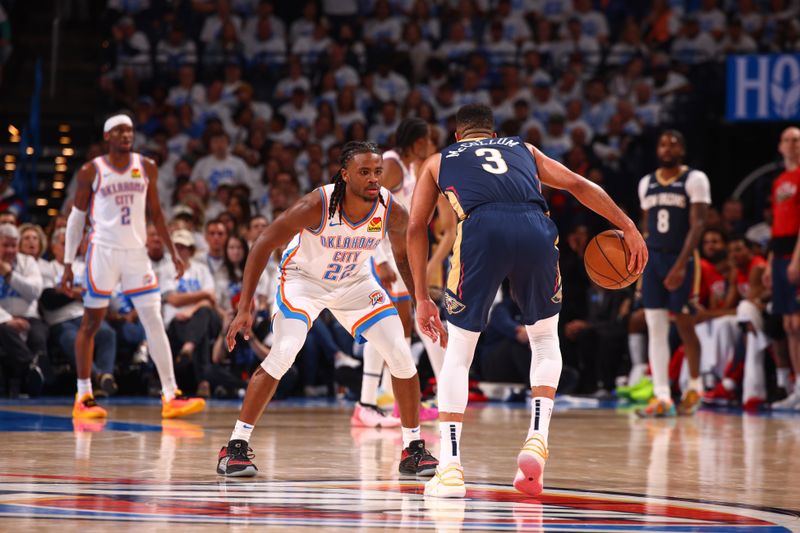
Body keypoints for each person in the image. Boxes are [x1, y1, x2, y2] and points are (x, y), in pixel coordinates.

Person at [407, 103, 647, 497]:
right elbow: (579, 185)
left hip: (482, 229)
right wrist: (629, 226)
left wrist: (421, 295)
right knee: (544, 338)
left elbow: (417, 227)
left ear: (457, 135)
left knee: (460, 351)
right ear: (492, 131)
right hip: (535, 225)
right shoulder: (523, 149)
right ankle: (537, 436)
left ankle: (449, 467)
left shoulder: (438, 160)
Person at [217, 141, 445, 478]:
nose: (373, 179)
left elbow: (402, 257)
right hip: (304, 281)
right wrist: (245, 307)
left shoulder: (391, 210)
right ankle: (235, 446)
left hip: (355, 283)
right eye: (364, 172)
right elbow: (264, 242)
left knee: (399, 352)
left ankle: (413, 448)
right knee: (284, 351)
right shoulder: (317, 204)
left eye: (377, 172)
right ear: (345, 175)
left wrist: (421, 299)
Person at [61, 114, 205, 419]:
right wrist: (68, 262)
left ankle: (170, 395)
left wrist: (172, 252)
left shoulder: (146, 166)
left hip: (136, 254)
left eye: (129, 130)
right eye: (119, 130)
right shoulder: (92, 171)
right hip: (103, 252)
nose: (126, 134)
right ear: (107, 137)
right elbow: (76, 219)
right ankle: (83, 394)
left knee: (153, 319)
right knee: (91, 323)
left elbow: (156, 212)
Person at [354, 118, 456, 428]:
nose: (431, 145)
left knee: (399, 329)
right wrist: (381, 257)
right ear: (416, 142)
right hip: (381, 255)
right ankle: (366, 402)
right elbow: (366, 209)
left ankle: (390, 402)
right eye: (427, 140)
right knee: (384, 326)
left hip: (398, 256)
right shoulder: (393, 164)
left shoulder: (411, 170)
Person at [636, 130, 711, 417]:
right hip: (653, 258)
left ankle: (695, 385)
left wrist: (680, 265)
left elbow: (698, 224)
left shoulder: (695, 179)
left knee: (684, 322)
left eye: (674, 144)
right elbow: (646, 227)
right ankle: (662, 396)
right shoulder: (646, 183)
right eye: (663, 144)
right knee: (655, 326)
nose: (667, 148)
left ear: (683, 149)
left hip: (682, 256)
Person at [765, 126, 800, 411]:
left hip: (796, 254)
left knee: (798, 323)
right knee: (788, 325)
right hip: (780, 254)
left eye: (797, 140)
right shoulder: (779, 181)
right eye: (787, 139)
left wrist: (797, 259)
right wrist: (770, 262)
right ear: (779, 147)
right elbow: (778, 223)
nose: (792, 144)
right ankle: (795, 386)